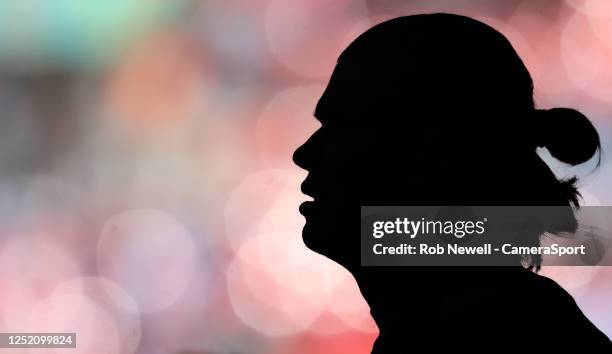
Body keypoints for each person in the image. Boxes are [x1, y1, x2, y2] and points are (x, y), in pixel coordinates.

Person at [293, 14, 611, 352]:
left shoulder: (491, 336)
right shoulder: (514, 325)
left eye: (341, 126)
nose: (305, 153)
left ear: (434, 152)